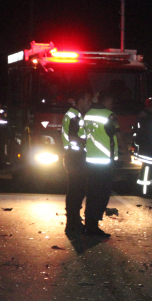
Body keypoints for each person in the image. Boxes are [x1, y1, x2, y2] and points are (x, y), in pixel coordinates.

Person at [83, 90, 120, 238]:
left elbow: (83, 134)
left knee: (92, 193)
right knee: (102, 194)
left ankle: (88, 224)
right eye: (111, 102)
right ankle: (93, 226)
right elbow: (117, 135)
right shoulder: (109, 115)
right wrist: (123, 152)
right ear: (106, 102)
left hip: (90, 159)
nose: (112, 105)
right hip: (104, 161)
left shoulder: (88, 114)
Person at [61, 89, 93, 234]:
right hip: (75, 157)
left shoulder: (75, 114)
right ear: (80, 101)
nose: (90, 103)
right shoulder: (75, 116)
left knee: (76, 189)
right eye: (88, 100)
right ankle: (72, 221)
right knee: (76, 189)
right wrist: (88, 141)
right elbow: (73, 136)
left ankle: (73, 220)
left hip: (74, 156)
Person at [134, 98, 152, 195]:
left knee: (147, 168)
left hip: (146, 148)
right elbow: (148, 133)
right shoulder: (145, 117)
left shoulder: (145, 115)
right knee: (147, 168)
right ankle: (144, 190)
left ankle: (146, 189)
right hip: (147, 148)